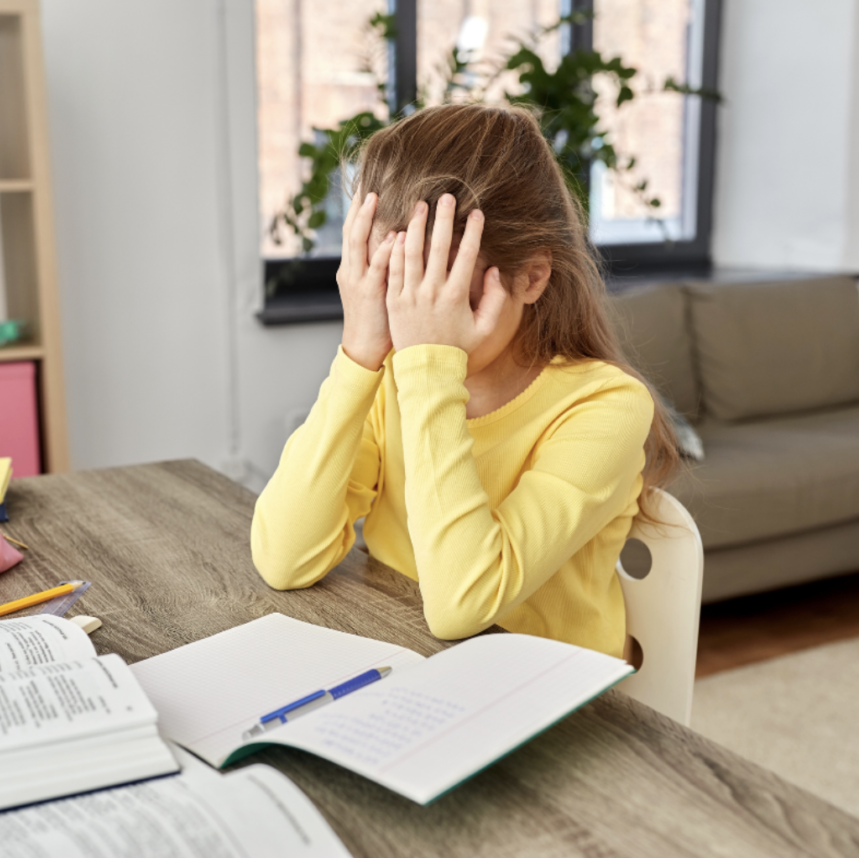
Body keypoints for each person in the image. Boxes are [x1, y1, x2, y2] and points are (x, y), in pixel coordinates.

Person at [251, 103, 680, 658]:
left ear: (531, 278)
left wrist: (431, 368)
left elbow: (463, 603)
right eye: (395, 281)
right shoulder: (389, 374)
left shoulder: (607, 406)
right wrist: (358, 355)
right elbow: (285, 557)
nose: (416, 315)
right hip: (407, 656)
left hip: (546, 694)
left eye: (450, 290)